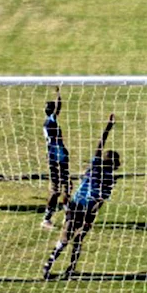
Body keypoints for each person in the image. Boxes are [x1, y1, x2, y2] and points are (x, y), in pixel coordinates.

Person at [43, 114, 118, 280]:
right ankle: (69, 269)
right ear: (114, 164)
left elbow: (100, 143)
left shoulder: (95, 166)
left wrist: (108, 127)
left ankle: (49, 266)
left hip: (75, 204)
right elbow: (101, 201)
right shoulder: (110, 178)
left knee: (66, 236)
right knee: (77, 239)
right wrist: (91, 216)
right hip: (86, 210)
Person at [41, 87, 72, 230]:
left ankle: (68, 215)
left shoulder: (48, 122)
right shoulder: (50, 121)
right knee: (57, 189)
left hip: (60, 157)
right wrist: (58, 94)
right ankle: (47, 218)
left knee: (67, 186)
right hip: (56, 158)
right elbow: (58, 107)